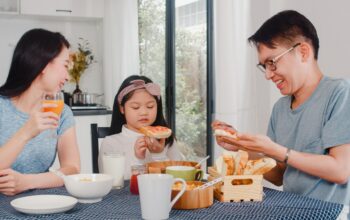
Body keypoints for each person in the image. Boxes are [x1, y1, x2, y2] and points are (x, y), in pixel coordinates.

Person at [215, 10, 350, 207]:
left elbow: (340, 171)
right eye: (264, 66)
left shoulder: (339, 93)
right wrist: (243, 147)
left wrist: (277, 150)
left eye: (272, 63)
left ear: (303, 52)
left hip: (331, 214)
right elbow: (278, 175)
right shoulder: (280, 109)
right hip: (291, 210)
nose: (268, 75)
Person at [0, 29, 80, 196]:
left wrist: (27, 182)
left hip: (39, 201)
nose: (67, 76)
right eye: (65, 65)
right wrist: (26, 133)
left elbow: (73, 169)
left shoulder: (62, 112)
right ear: (43, 64)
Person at [99, 75, 182, 179]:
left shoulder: (166, 139)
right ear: (122, 109)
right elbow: (112, 184)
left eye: (150, 106)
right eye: (135, 107)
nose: (143, 112)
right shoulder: (111, 143)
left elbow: (180, 179)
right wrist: (138, 159)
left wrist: (159, 155)